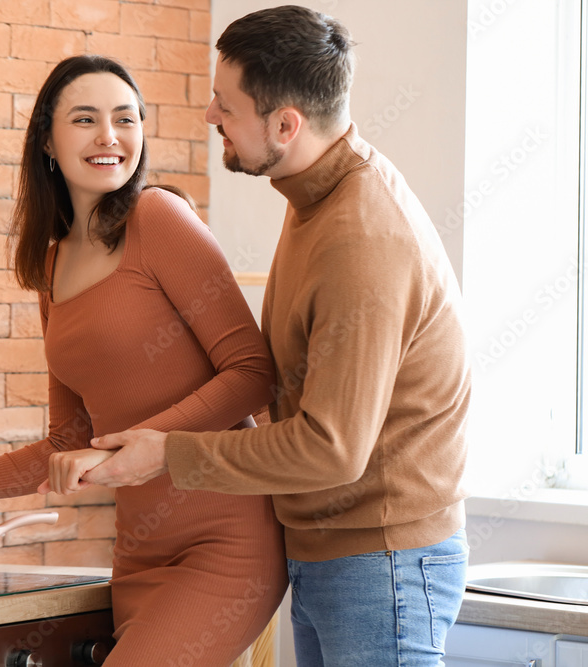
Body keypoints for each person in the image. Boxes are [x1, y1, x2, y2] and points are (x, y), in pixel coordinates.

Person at [57, 8, 471, 666]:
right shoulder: (314, 198)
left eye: (226, 104)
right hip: (332, 552)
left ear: (285, 125)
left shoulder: (359, 238)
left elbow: (333, 448)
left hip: (381, 560)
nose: (209, 116)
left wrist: (169, 453)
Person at [0, 55, 288, 666]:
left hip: (226, 541)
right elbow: (68, 439)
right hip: (138, 549)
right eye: (86, 119)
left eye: (125, 119)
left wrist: (136, 443)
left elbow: (253, 374)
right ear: (48, 141)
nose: (110, 137)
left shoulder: (159, 218)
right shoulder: (52, 268)